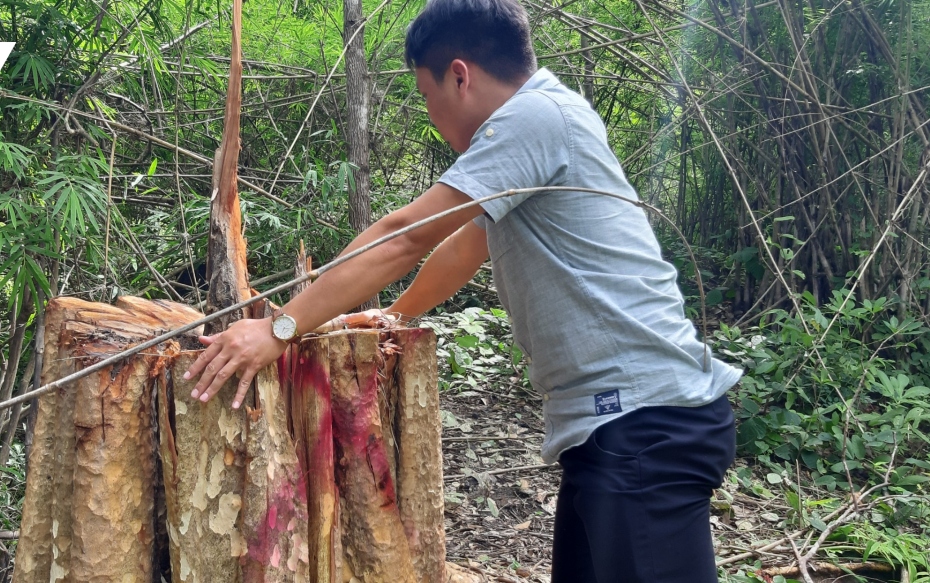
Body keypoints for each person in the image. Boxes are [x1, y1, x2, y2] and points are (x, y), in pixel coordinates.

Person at [183, 0, 742, 579]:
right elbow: (464, 246)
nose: (431, 114)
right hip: (614, 432)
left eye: (427, 96)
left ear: (459, 75)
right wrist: (395, 315)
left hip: (645, 427)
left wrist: (279, 329)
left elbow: (405, 236)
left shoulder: (535, 118)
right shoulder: (542, 126)